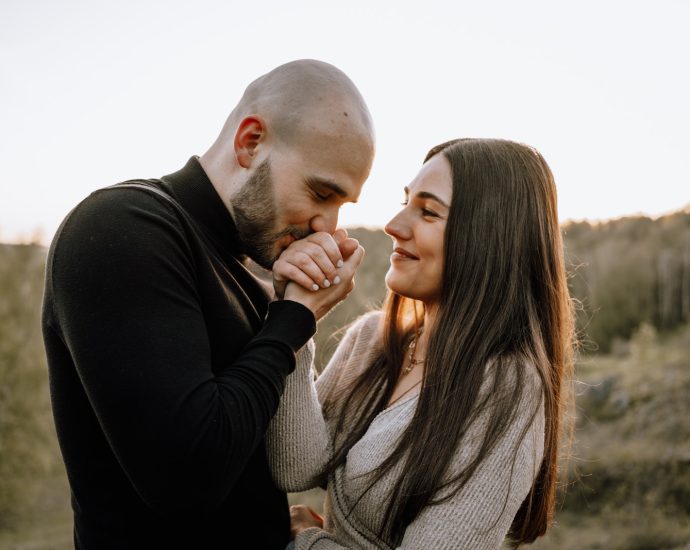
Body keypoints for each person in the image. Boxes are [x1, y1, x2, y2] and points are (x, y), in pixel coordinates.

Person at [41, 59, 375, 549]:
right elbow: (186, 477)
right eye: (321, 193)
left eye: (341, 206)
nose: (325, 224)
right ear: (250, 142)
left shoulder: (248, 279)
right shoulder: (122, 227)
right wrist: (292, 320)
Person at [267, 138, 575, 549]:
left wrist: (306, 544)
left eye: (428, 211)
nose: (394, 225)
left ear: (488, 238)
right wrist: (295, 319)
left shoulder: (507, 388)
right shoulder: (372, 339)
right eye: (406, 201)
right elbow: (295, 466)